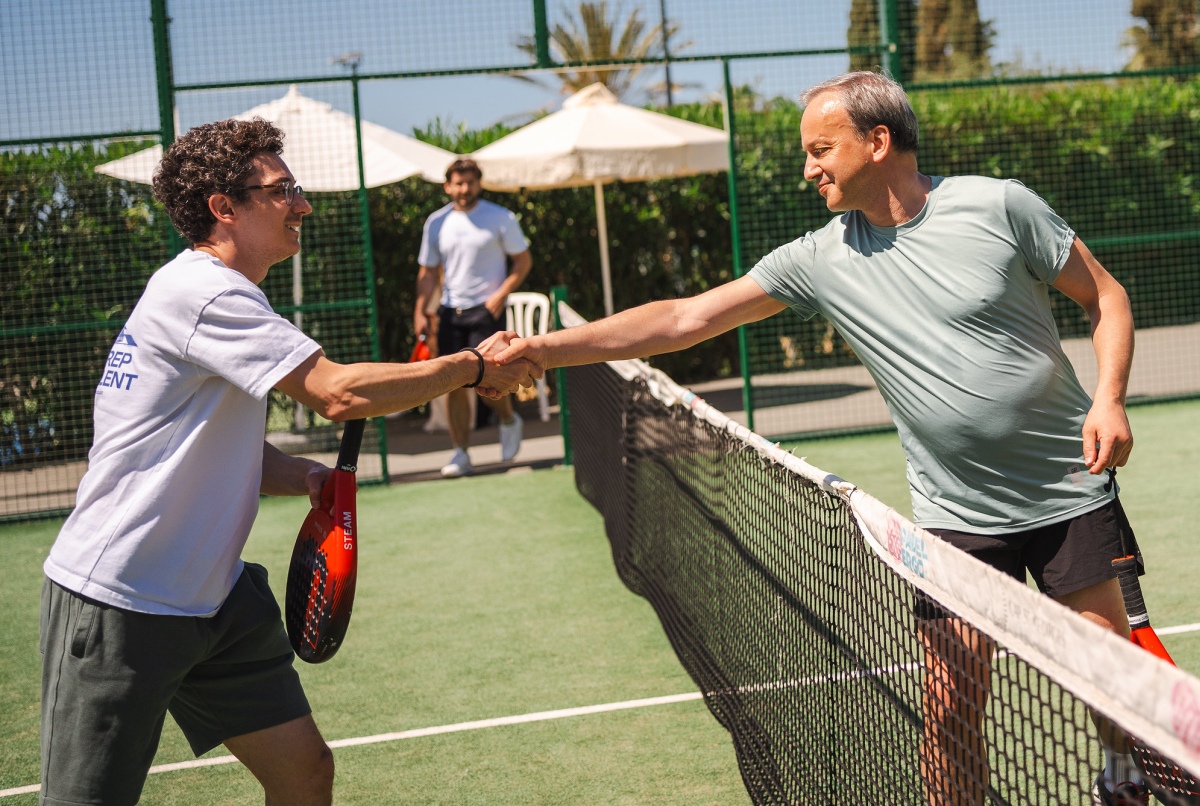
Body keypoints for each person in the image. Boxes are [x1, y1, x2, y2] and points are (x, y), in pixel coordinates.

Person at [494, 71, 1145, 806]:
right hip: (955, 517)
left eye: (820, 149)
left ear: (878, 141)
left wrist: (1109, 399)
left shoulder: (1000, 206)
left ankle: (1121, 769)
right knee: (949, 707)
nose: (809, 169)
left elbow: (1106, 296)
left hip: (1067, 488)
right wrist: (543, 350)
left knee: (1108, 680)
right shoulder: (818, 258)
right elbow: (684, 318)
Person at [39, 118, 538, 806]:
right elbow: (339, 395)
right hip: (124, 598)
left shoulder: (224, 290)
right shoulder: (204, 293)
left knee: (304, 773)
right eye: (282, 191)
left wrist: (305, 477)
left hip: (218, 596)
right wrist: (472, 367)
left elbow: (213, 445)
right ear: (224, 207)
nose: (302, 204)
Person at [415, 158, 533, 477]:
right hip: (450, 313)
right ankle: (461, 454)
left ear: (479, 183)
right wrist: (420, 310)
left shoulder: (500, 217)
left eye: (470, 182)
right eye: (459, 183)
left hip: (486, 311)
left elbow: (523, 261)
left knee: (489, 379)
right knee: (453, 382)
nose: (465, 188)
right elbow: (428, 272)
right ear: (448, 186)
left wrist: (501, 294)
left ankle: (508, 419)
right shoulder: (436, 223)